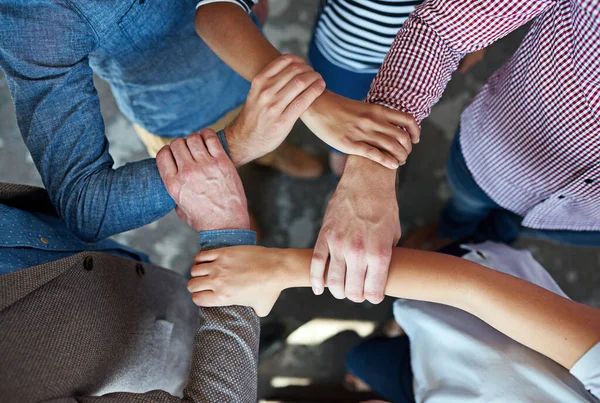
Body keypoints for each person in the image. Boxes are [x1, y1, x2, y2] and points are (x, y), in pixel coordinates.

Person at [0, 0, 401, 245]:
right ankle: (242, 191)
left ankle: (270, 155)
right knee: (222, 182)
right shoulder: (32, 18)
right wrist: (238, 144)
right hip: (175, 112)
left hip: (241, 57)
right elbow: (85, 207)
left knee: (268, 119)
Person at [0, 129, 262, 401]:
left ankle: (246, 331)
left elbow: (84, 203)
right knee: (227, 359)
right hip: (158, 363)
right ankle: (251, 346)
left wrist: (226, 149)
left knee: (193, 300)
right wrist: (225, 234)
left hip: (140, 280)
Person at [195, 0, 421, 306]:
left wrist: (468, 35)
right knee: (347, 131)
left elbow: (452, 25)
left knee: (373, 129)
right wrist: (313, 103)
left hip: (420, 66)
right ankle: (338, 162)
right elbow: (214, 10)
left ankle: (330, 161)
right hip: (347, 50)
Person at [186, 241, 600, 402]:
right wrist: (285, 268)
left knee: (362, 360)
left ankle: (396, 326)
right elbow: (471, 287)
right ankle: (404, 312)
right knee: (424, 266)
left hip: (430, 387)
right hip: (469, 305)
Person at [308, 0, 485, 176]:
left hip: (424, 47)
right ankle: (339, 162)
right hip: (346, 50)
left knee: (392, 126)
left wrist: (478, 30)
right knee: (342, 123)